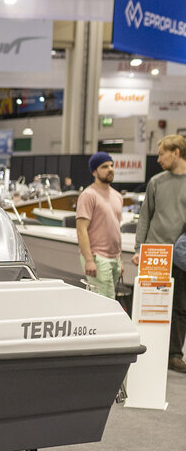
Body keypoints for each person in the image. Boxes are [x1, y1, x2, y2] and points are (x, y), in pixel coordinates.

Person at [133, 134, 186, 372]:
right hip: (155, 253)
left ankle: (174, 355)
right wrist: (138, 249)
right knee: (150, 307)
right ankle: (148, 350)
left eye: (162, 153)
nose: (158, 159)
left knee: (181, 307)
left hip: (181, 256)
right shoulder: (156, 182)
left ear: (176, 153)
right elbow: (145, 217)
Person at [75, 152, 124, 300]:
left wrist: (120, 260)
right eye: (104, 166)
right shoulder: (88, 195)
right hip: (97, 257)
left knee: (109, 299)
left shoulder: (117, 196)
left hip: (115, 258)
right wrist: (89, 260)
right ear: (94, 172)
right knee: (106, 300)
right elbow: (81, 229)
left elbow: (116, 229)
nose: (110, 169)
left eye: (111, 165)